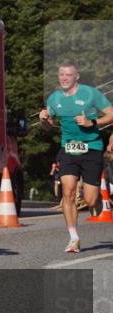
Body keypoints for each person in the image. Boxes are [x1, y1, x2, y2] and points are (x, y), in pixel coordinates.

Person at [38, 60, 113, 253]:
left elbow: (111, 114)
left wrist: (92, 122)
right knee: (68, 191)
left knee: (90, 199)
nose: (64, 78)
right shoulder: (54, 98)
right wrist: (44, 120)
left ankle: (96, 203)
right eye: (61, 75)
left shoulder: (91, 94)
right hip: (68, 149)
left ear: (76, 76)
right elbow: (48, 126)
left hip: (92, 148)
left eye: (68, 75)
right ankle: (73, 238)